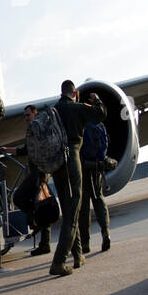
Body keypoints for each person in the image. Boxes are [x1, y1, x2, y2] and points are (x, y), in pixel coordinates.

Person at [48, 82, 107, 277]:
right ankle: (59, 262)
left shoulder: (53, 110)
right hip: (72, 159)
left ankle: (79, 255)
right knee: (74, 212)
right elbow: (101, 114)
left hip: (57, 164)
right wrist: (96, 99)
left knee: (68, 209)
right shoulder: (76, 107)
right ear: (74, 93)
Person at [5, 105, 52, 255]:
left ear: (35, 113)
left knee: (19, 198)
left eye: (28, 115)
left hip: (40, 173)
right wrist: (6, 150)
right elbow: (24, 150)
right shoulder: (32, 130)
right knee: (42, 206)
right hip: (37, 172)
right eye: (24, 116)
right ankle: (44, 242)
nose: (25, 118)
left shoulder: (38, 129)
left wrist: (43, 174)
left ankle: (35, 221)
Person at [78, 94, 111, 254]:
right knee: (98, 200)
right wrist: (97, 99)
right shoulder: (98, 124)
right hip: (97, 168)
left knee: (83, 207)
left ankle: (85, 243)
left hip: (83, 169)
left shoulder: (80, 123)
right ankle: (105, 232)